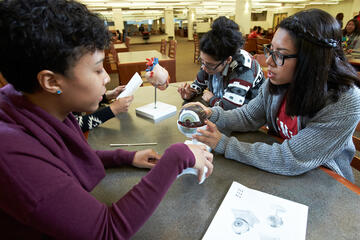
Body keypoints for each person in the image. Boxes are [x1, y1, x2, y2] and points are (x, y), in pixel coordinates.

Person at [0, 1, 214, 239]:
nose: (106, 79)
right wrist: (178, 156)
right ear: (51, 82)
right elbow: (105, 231)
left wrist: (127, 156)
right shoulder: (10, 154)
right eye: (98, 69)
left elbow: (66, 156)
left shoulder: (32, 103)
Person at [189, 9, 360, 183]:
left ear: (310, 60)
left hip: (323, 181)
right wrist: (212, 114)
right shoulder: (278, 81)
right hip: (282, 172)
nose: (269, 61)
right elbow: (248, 116)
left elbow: (290, 158)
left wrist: (224, 144)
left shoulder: (344, 101)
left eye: (279, 55)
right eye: (270, 50)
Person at [177, 16, 265, 110]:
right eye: (202, 61)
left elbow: (231, 108)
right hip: (222, 107)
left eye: (209, 65)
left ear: (227, 60)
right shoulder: (209, 61)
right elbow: (198, 85)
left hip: (249, 113)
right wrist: (190, 93)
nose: (203, 68)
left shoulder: (243, 69)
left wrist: (211, 99)